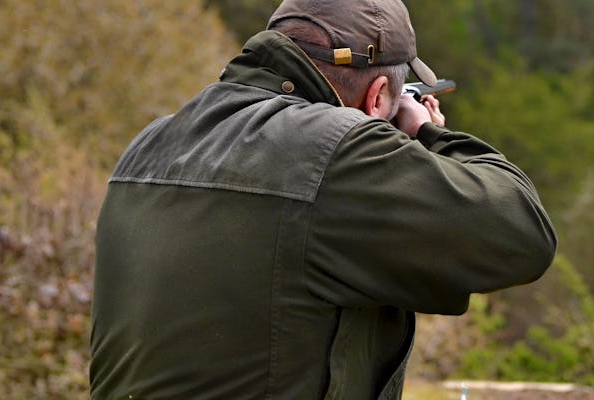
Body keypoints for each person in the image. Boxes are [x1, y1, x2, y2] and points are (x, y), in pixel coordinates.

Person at [89, 0, 557, 398]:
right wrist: (426, 131)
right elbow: (522, 233)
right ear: (377, 99)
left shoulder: (148, 145)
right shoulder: (336, 152)